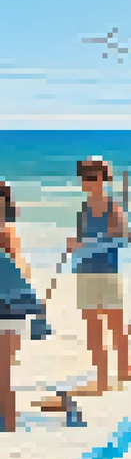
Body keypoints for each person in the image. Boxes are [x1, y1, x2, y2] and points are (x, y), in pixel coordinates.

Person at [71, 157, 131, 393]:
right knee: (92, 325)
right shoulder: (84, 209)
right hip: (85, 271)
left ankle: (123, 371)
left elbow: (123, 239)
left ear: (99, 178)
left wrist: (86, 243)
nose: (83, 183)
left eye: (87, 177)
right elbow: (82, 240)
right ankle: (102, 377)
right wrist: (76, 246)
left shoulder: (112, 207)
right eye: (82, 178)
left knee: (115, 324)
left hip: (107, 271)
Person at [1, 181, 29, 431]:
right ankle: (8, 422)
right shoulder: (9, 233)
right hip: (12, 309)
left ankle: (9, 425)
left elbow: (17, 271)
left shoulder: (6, 234)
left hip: (8, 310)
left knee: (3, 373)